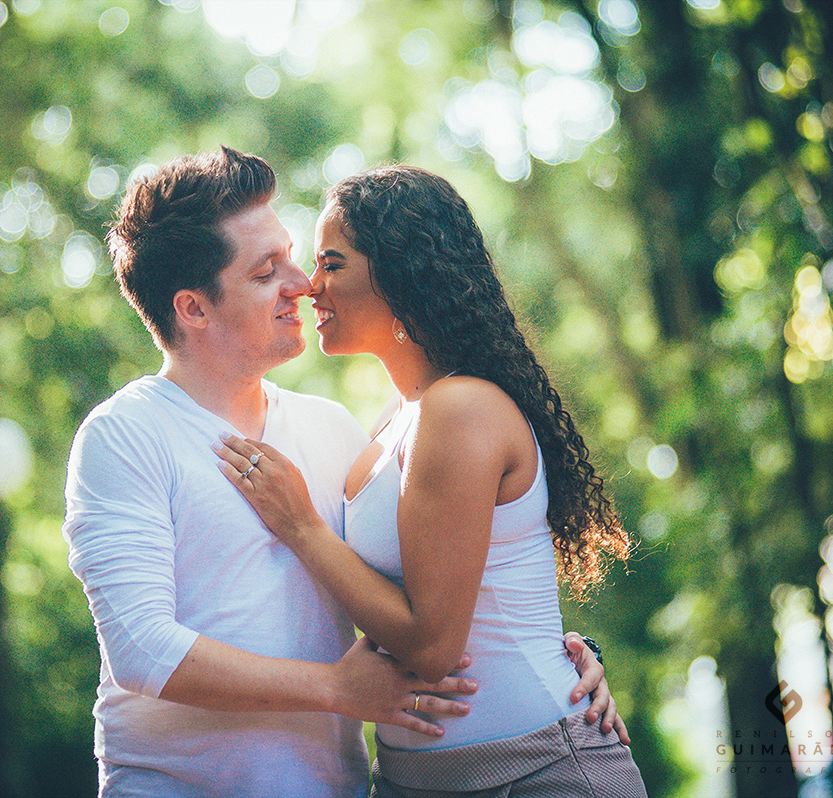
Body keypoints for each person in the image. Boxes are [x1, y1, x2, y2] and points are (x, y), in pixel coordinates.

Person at [63, 147, 620, 797]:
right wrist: (335, 689)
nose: (302, 284)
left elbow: (427, 593)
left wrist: (569, 655)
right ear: (193, 308)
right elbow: (141, 650)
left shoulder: (336, 432)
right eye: (268, 270)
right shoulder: (124, 435)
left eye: (306, 259)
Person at [213, 164, 646, 797]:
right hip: (410, 779)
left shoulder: (460, 407)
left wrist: (302, 525)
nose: (309, 286)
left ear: (398, 273)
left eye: (331, 264)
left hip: (538, 772)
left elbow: (432, 646)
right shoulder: (397, 420)